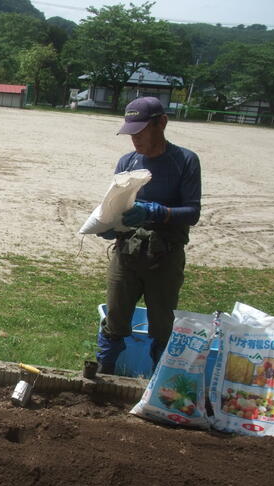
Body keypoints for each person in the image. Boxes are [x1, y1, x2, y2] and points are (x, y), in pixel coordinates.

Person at [96, 96, 201, 374]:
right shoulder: (127, 162)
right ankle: (103, 376)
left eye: (141, 131)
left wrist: (155, 211)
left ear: (161, 123)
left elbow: (192, 212)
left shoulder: (185, 161)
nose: (135, 139)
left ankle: (156, 384)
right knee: (115, 320)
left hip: (165, 258)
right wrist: (109, 225)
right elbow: (114, 204)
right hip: (126, 254)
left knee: (162, 327)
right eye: (131, 133)